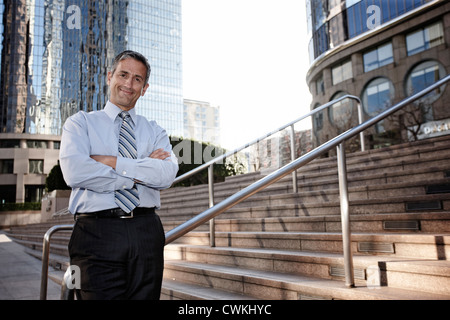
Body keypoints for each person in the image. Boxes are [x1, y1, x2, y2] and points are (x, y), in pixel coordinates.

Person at [59, 50, 178, 300]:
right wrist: (141, 169)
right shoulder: (80, 123)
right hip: (95, 233)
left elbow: (166, 175)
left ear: (144, 88)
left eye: (137, 79)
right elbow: (76, 172)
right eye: (123, 75)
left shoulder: (155, 131)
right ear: (109, 76)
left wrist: (110, 161)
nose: (129, 84)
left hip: (147, 232)